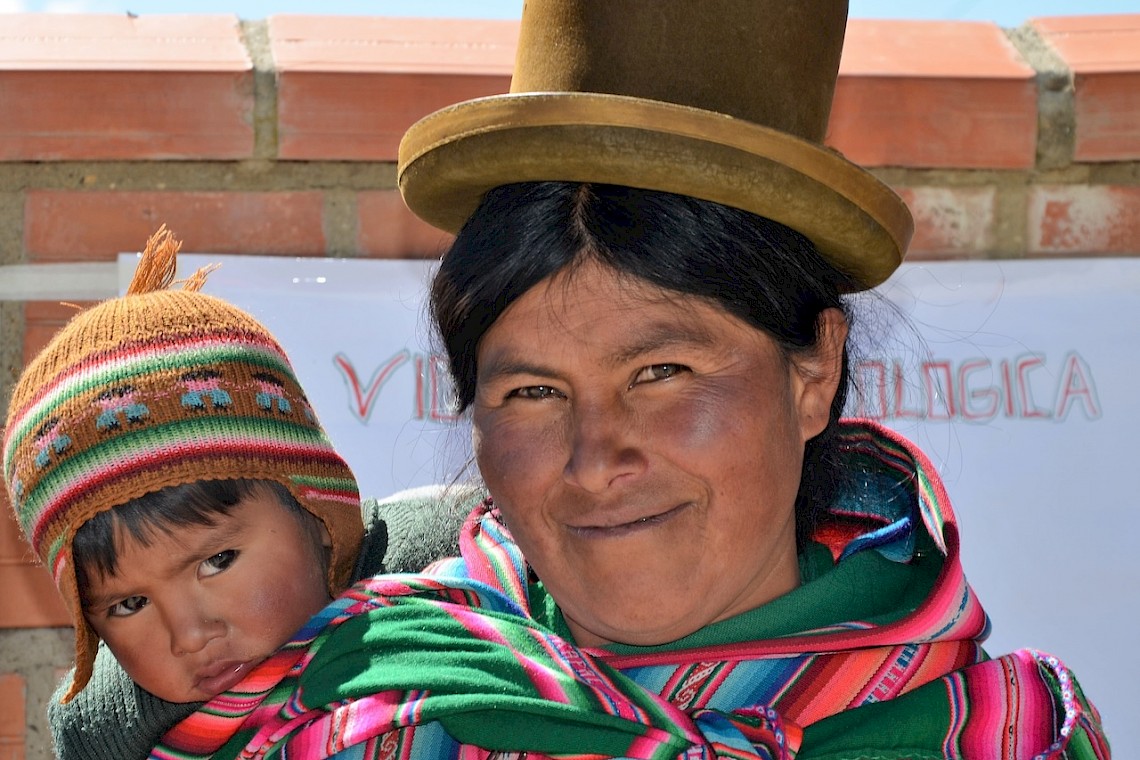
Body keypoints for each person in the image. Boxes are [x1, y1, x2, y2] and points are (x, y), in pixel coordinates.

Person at [60, 1, 1119, 758]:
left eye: (662, 370)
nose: (597, 457)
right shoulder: (353, 690)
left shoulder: (1002, 732)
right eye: (532, 392)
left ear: (814, 369)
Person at [2, 227, 470, 759]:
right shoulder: (115, 736)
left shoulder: (460, 585)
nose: (190, 636)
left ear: (319, 512)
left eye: (218, 560)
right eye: (129, 604)